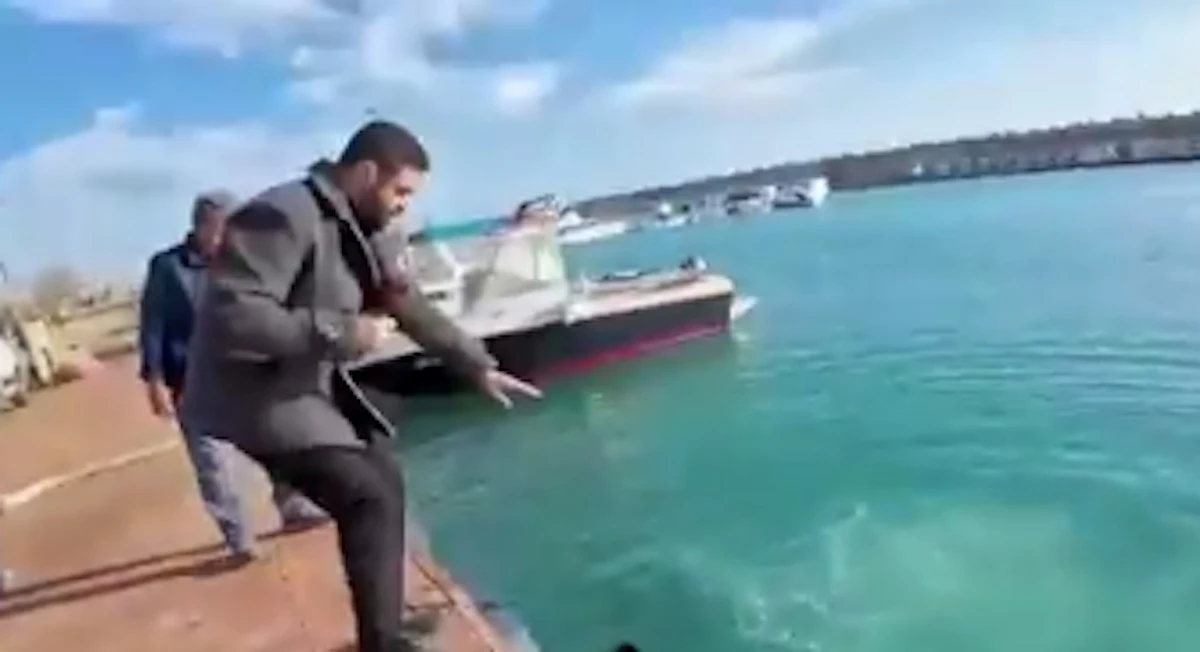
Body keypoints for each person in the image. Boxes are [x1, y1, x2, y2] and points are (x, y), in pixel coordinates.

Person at [181, 120, 542, 652]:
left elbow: (406, 302)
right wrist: (344, 332)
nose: (404, 206)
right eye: (401, 192)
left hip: (304, 387)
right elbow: (235, 317)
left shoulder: (372, 228)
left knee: (384, 480)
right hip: (252, 394)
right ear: (367, 173)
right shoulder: (283, 213)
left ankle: (385, 628)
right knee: (365, 495)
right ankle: (381, 643)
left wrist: (475, 365)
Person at [138, 191, 325, 562]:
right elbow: (153, 326)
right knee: (214, 464)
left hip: (250, 368)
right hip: (193, 379)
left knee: (279, 440)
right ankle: (240, 539)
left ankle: (294, 505)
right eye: (223, 230)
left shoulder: (246, 260)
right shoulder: (167, 267)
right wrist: (155, 381)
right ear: (201, 227)